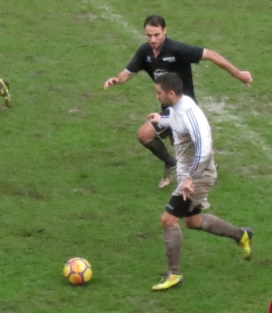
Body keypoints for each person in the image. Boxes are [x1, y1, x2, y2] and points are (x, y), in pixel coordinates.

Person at [104, 15, 252, 189]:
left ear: (165, 31)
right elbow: (128, 72)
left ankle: (199, 167)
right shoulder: (145, 52)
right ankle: (180, 164)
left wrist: (239, 74)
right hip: (168, 108)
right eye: (149, 35)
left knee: (153, 136)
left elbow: (212, 55)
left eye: (156, 35)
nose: (153, 40)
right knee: (177, 144)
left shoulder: (177, 49)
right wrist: (117, 80)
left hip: (184, 108)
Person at [147, 73, 253, 291]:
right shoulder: (179, 107)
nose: (157, 96)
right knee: (193, 221)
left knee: (168, 220)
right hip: (189, 174)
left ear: (171, 93)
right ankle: (241, 234)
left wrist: (190, 178)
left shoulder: (190, 113)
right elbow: (177, 121)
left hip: (198, 176)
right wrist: (161, 120)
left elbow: (204, 151)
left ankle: (174, 274)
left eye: (159, 93)